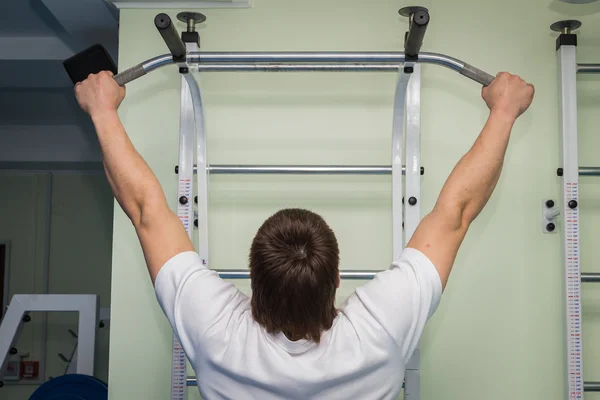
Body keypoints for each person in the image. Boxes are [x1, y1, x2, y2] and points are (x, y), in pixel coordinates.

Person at [74, 71, 534, 399]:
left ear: (252, 284)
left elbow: (145, 212)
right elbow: (455, 213)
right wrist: (504, 111)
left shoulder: (217, 334)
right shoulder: (379, 331)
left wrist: (101, 110)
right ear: (336, 280)